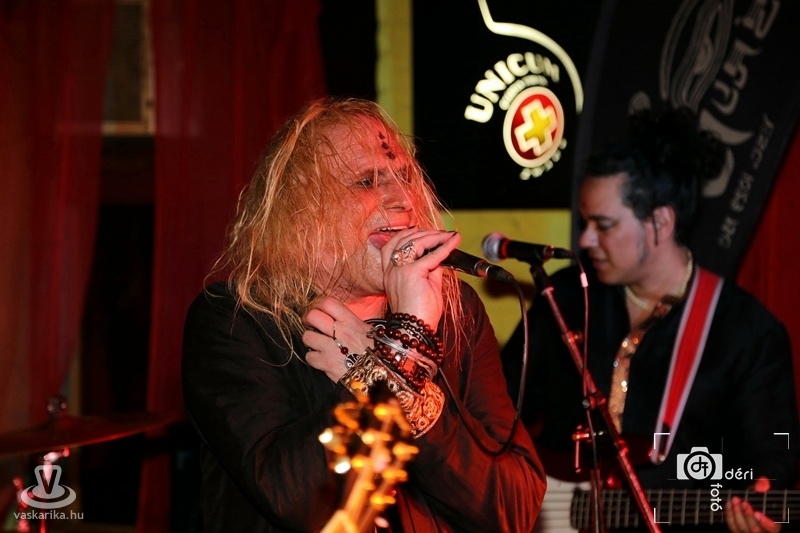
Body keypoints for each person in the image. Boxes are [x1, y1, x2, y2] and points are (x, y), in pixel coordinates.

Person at [182, 97, 546, 532]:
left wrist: (389, 369)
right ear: (299, 210)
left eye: (405, 177)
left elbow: (514, 508)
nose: (403, 199)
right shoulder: (235, 319)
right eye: (367, 181)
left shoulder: (455, 310)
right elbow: (301, 502)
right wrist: (402, 349)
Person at [501, 107, 799, 533]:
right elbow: (499, 409)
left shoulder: (747, 331)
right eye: (586, 222)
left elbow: (773, 453)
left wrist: (763, 491)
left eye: (603, 225)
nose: (585, 239)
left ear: (660, 222)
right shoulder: (564, 295)